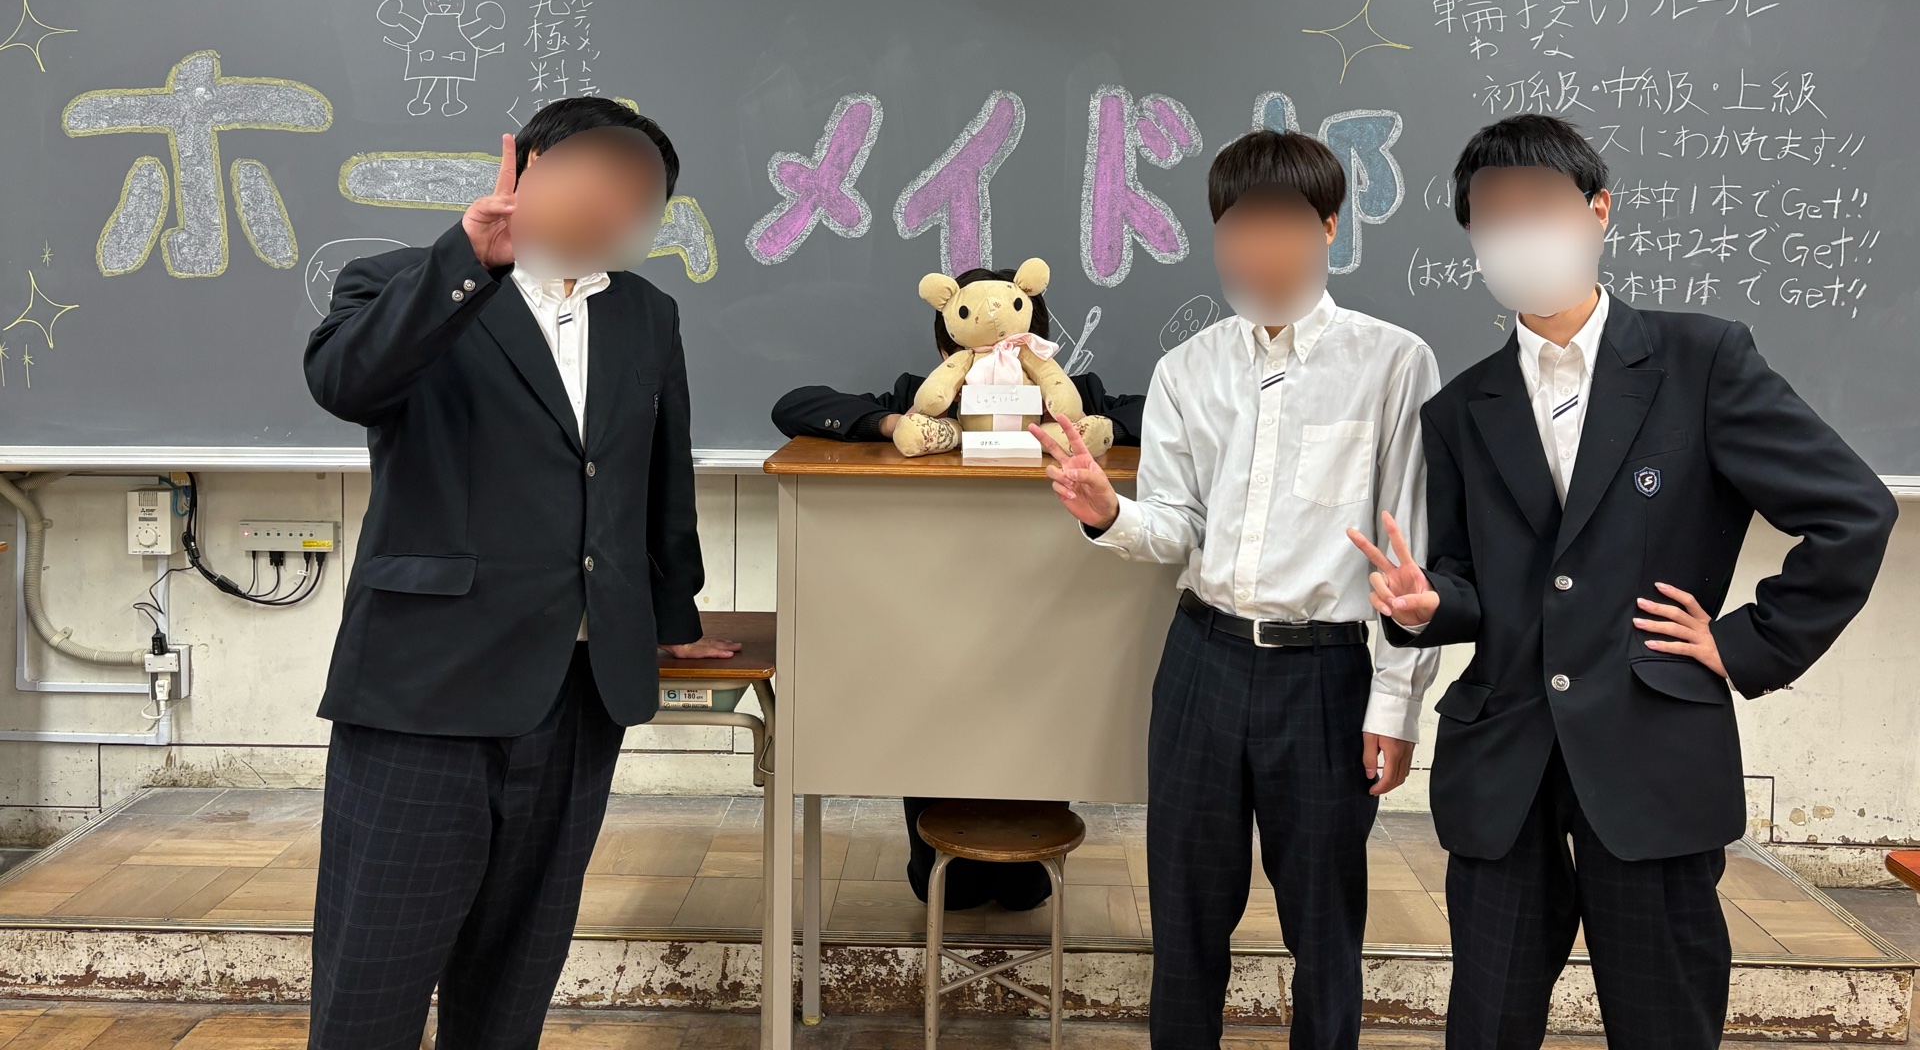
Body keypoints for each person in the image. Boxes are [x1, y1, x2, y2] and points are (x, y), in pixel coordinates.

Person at [1353, 113, 1898, 1050]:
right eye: (1493, 214)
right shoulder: (1460, 408)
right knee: (1486, 1026)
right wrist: (1429, 606)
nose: (1518, 230)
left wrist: (1745, 642)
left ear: (1597, 210)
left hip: (1652, 751)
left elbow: (1855, 513)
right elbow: (1472, 581)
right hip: (1506, 760)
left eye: (1539, 204)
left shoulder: (1702, 360)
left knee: (1663, 1024)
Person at [303, 99, 738, 1050]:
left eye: (638, 193)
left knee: (515, 974)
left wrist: (672, 616)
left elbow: (659, 476)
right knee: (374, 972)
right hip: (427, 685)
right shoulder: (405, 281)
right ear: (529, 166)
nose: (611, 204)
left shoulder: (645, 312)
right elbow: (345, 384)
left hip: (580, 689)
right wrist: (468, 259)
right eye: (593, 176)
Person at [1033, 128, 1441, 1050]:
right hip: (1201, 662)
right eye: (1237, 228)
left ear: (1329, 226)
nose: (1256, 250)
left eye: (1280, 226)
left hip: (1326, 676)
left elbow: (1407, 555)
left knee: (1325, 928)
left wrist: (1397, 702)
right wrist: (1108, 513)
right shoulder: (1189, 369)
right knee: (1184, 919)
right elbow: (1176, 526)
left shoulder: (1394, 363)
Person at [770, 271, 1148, 914]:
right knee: (943, 888)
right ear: (948, 347)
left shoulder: (1075, 393)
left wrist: (1095, 424)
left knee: (1025, 887)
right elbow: (794, 405)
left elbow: (1164, 412)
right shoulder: (924, 397)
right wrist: (893, 423)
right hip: (936, 632)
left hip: (1047, 634)